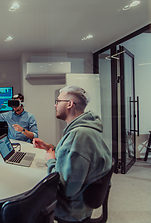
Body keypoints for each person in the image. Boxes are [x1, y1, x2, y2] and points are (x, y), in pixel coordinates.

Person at [33, 86, 112, 222]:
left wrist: (51, 160)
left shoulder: (78, 136)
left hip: (70, 211)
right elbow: (74, 156)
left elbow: (66, 189)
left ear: (69, 104)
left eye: (58, 101)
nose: (55, 105)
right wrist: (50, 148)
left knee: (23, 201)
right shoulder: (87, 130)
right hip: (82, 205)